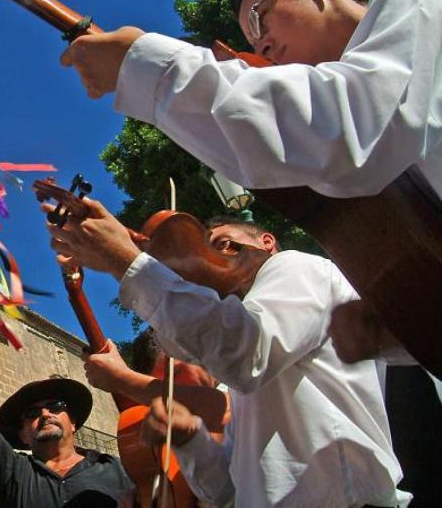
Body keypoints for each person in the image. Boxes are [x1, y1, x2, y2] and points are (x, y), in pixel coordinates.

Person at [60, 0, 442, 367]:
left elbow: (353, 127)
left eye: (260, 18)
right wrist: (387, 332)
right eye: (251, 39)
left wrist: (146, 67)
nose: (261, 46)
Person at [50, 205, 410, 506]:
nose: (213, 260)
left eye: (224, 244)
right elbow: (226, 491)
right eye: (205, 251)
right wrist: (191, 440)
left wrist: (125, 261)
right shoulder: (247, 369)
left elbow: (248, 353)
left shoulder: (293, 266)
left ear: (266, 242)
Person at [0, 304, 134, 508]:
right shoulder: (12, 474)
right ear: (22, 435)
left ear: (73, 422)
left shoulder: (117, 470)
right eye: (32, 413)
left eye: (56, 406)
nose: (46, 414)